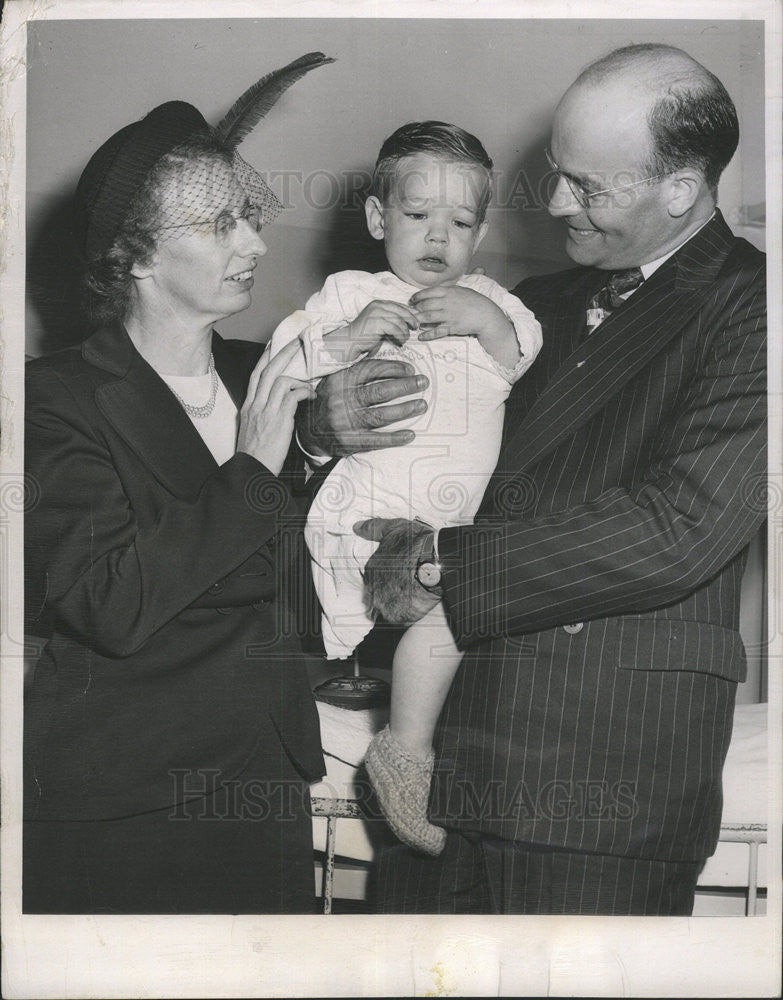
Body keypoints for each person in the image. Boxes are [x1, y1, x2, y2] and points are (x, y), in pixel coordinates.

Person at [299, 43, 767, 914]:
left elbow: (680, 527)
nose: (553, 205)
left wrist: (441, 559)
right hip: (442, 773)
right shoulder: (530, 307)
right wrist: (316, 427)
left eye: (585, 187)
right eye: (556, 174)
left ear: (679, 189)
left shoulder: (752, 306)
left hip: (597, 785)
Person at [23, 59, 335, 914]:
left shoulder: (265, 373)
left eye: (253, 218)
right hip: (124, 799)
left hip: (265, 779)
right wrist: (255, 470)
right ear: (137, 256)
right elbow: (108, 603)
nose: (257, 244)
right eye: (221, 224)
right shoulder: (50, 400)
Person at [269, 121, 541, 856]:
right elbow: (288, 364)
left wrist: (488, 322)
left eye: (459, 223)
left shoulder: (492, 300)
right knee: (440, 597)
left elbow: (525, 358)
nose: (437, 238)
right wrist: (351, 338)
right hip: (371, 506)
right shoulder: (350, 293)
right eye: (418, 217)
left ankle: (413, 746)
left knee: (465, 603)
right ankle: (406, 746)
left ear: (479, 234)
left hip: (458, 520)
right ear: (377, 218)